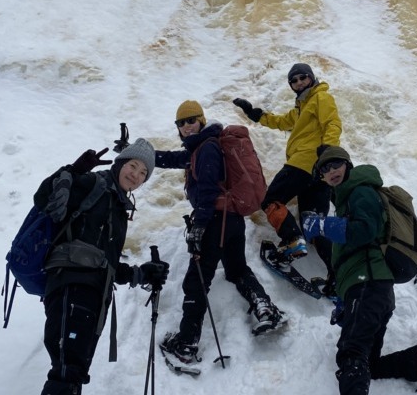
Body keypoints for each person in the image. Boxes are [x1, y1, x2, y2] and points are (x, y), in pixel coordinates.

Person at [301, 146, 417, 394]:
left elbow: (364, 230)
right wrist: (343, 300)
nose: (331, 172)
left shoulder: (361, 191)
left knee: (351, 354)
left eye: (335, 164)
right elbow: (349, 260)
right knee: (367, 362)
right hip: (372, 289)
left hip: (368, 285)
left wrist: (321, 225)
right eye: (324, 170)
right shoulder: (345, 204)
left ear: (348, 165)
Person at [154, 100, 286, 368]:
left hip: (215, 222)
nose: (186, 126)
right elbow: (172, 159)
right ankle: (264, 307)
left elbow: (207, 189)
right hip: (233, 222)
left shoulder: (207, 148)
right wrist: (143, 154)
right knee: (237, 270)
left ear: (201, 120)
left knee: (197, 281)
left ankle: (187, 343)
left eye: (191, 120)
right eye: (181, 123)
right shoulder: (204, 146)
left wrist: (200, 226)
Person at [33, 139, 170, 395]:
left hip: (93, 295)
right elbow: (43, 199)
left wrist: (140, 273)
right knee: (66, 372)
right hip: (72, 287)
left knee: (73, 374)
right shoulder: (92, 185)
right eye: (133, 165)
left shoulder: (117, 206)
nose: (136, 175)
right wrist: (73, 171)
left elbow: (104, 263)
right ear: (120, 163)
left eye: (143, 173)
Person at [232, 62, 341, 279]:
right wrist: (255, 114)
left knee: (271, 199)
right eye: (294, 80)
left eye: (303, 77)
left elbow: (333, 123)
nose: (299, 82)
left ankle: (292, 239)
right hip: (318, 174)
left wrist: (328, 150)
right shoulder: (301, 108)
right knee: (313, 224)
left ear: (311, 77)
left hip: (304, 162)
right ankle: (337, 277)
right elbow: (281, 121)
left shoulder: (321, 98)